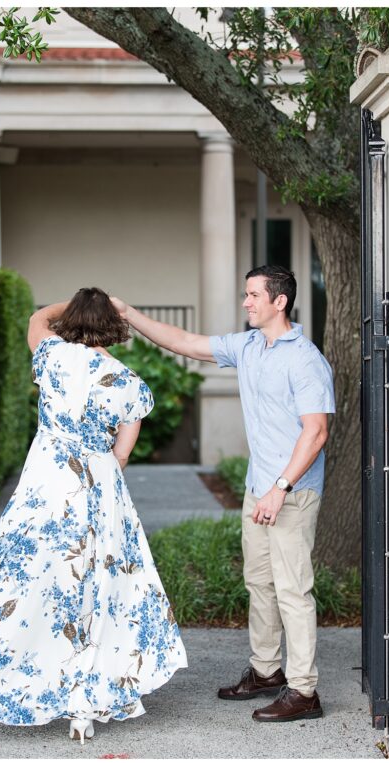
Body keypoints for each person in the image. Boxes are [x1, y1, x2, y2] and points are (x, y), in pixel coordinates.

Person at [0, 287, 187, 744]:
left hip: (48, 485)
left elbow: (38, 317)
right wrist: (111, 307)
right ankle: (89, 700)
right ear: (114, 327)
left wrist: (77, 302)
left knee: (36, 580)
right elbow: (121, 453)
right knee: (101, 584)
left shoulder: (52, 356)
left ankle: (35, 680)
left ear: (74, 320)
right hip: (99, 487)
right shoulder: (126, 382)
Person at [111, 264, 334, 723]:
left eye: (254, 295)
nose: (246, 302)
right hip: (260, 488)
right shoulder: (249, 346)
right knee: (260, 585)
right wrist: (129, 314)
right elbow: (186, 343)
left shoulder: (305, 359)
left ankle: (304, 691)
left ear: (280, 302)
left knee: (293, 590)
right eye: (246, 294)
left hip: (290, 490)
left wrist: (280, 489)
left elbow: (316, 433)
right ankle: (267, 672)